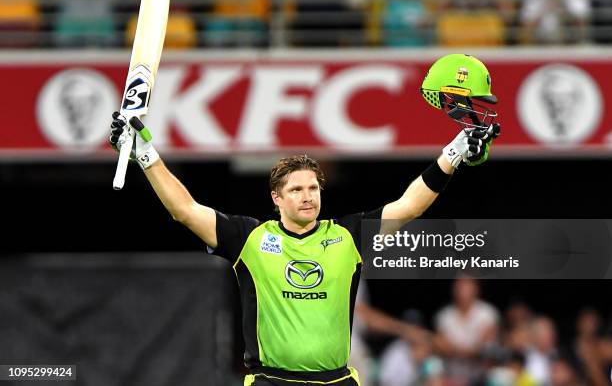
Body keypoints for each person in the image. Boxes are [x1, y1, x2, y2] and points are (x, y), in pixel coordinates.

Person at [108, 53, 501, 385]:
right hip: (271, 381)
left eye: (313, 188)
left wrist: (453, 153)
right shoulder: (249, 238)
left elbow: (409, 205)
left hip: (338, 381)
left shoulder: (347, 235)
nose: (307, 196)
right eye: (296, 190)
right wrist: (145, 153)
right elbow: (185, 209)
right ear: (276, 198)